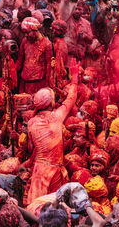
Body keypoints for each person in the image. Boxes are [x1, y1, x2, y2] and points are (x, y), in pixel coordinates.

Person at [24, 59, 79, 204]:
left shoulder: (31, 123)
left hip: (39, 171)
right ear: (51, 103)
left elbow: (31, 148)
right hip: (55, 171)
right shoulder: (57, 117)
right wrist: (75, 77)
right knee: (56, 208)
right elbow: (72, 97)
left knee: (37, 207)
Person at [15, 17, 52, 94]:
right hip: (24, 82)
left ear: (35, 31)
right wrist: (10, 71)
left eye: (28, 33)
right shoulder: (25, 41)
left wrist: (48, 85)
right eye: (24, 33)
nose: (26, 35)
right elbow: (19, 60)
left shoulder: (47, 44)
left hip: (39, 83)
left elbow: (49, 66)